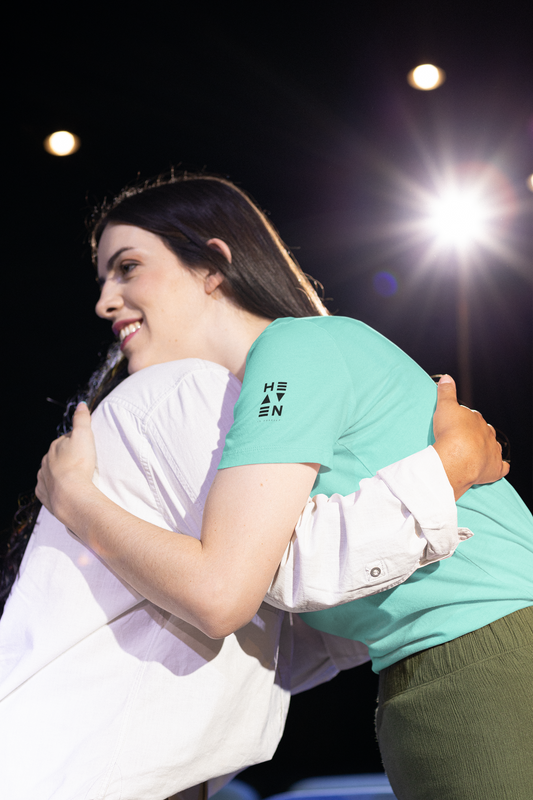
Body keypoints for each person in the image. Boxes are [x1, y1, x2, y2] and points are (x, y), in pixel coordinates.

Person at [32, 174, 526, 799]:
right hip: (439, 667)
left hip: (488, 653)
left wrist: (78, 502)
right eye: (104, 278)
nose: (106, 300)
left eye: (127, 267)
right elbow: (294, 585)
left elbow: (221, 592)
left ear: (212, 266)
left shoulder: (292, 351)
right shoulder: (263, 385)